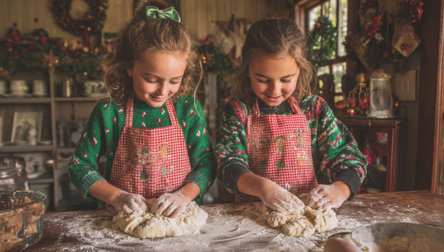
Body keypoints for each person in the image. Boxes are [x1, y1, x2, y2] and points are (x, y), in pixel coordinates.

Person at [68, 0, 215, 218]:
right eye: (152, 79)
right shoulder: (109, 112)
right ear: (129, 66)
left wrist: (183, 196)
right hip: (119, 220)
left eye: (174, 81)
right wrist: (117, 197)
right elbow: (79, 167)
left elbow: (207, 165)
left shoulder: (188, 109)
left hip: (179, 219)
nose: (163, 91)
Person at [215, 18, 367, 215]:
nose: (274, 90)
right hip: (251, 216)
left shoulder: (313, 109)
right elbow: (228, 164)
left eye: (286, 79)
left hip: (304, 214)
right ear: (247, 71)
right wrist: (263, 188)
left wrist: (341, 188)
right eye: (263, 79)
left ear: (300, 70)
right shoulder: (239, 112)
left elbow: (348, 156)